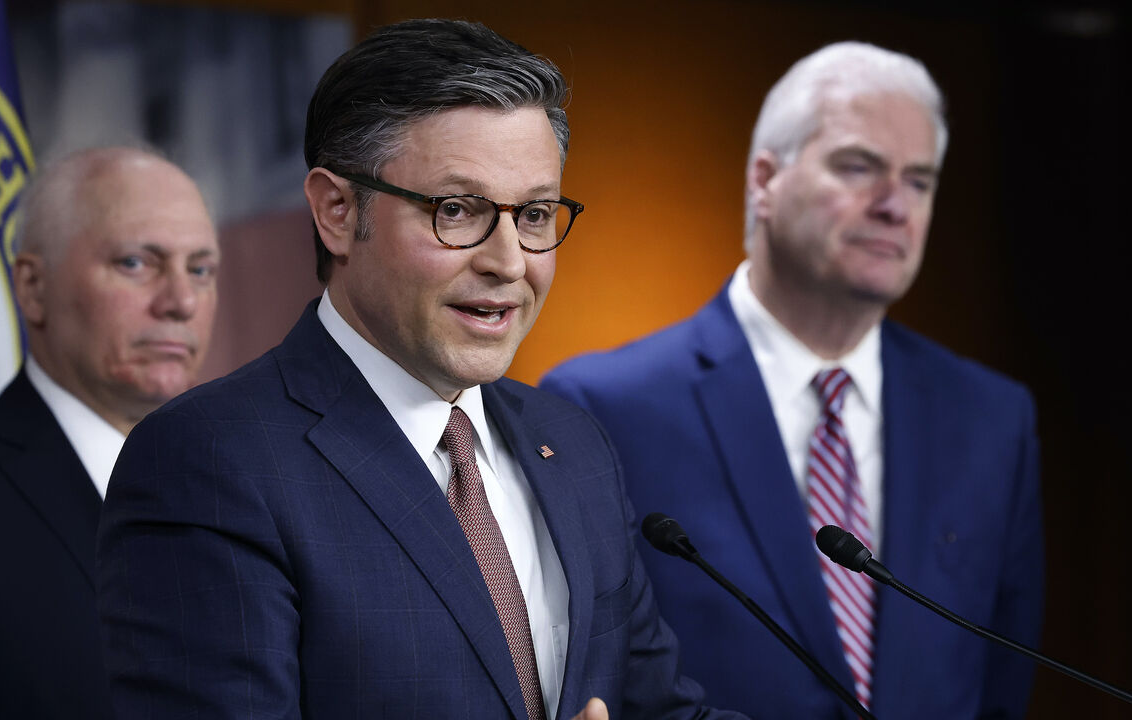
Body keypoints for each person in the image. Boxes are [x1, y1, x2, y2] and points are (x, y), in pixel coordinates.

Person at [96, 19, 744, 720]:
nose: (508, 262)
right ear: (337, 212)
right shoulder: (210, 460)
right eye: (458, 210)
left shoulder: (575, 445)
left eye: (533, 214)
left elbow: (657, 709)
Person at [541, 41, 1044, 720]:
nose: (896, 205)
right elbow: (593, 684)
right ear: (764, 180)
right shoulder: (600, 408)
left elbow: (1002, 684)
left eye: (920, 180)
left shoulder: (992, 417)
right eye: (859, 167)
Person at [0, 146, 220, 719]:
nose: (181, 302)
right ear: (33, 287)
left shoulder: (249, 487)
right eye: (136, 263)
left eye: (200, 269)